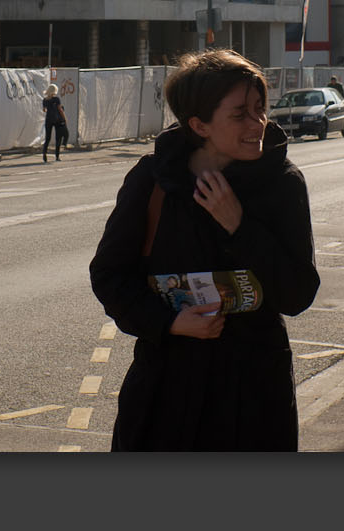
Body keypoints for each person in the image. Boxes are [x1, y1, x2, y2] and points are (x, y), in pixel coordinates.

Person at [88, 49, 320, 450]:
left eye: (260, 108)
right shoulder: (153, 180)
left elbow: (298, 293)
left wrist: (239, 225)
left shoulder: (282, 183)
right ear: (200, 125)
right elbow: (110, 276)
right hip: (166, 394)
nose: (258, 123)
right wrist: (169, 323)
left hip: (254, 400)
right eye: (240, 114)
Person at [42, 83, 68, 162]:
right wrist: (64, 118)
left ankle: (44, 154)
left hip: (48, 119)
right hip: (57, 120)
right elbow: (60, 110)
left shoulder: (45, 100)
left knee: (48, 138)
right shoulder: (56, 99)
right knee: (58, 138)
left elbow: (44, 110)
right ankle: (57, 156)